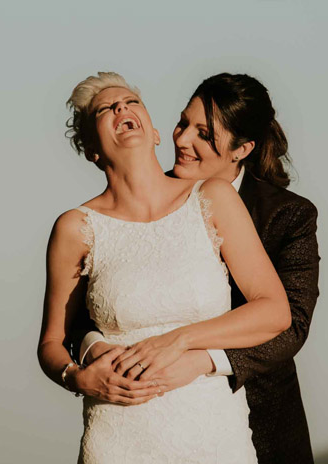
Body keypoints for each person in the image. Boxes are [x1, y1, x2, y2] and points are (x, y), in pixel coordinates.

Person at [37, 72, 290, 464]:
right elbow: (52, 342)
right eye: (105, 109)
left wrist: (180, 340)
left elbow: (274, 310)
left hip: (213, 435)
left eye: (131, 102)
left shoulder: (213, 197)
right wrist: (78, 377)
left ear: (155, 133)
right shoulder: (75, 227)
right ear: (92, 150)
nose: (120, 108)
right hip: (118, 438)